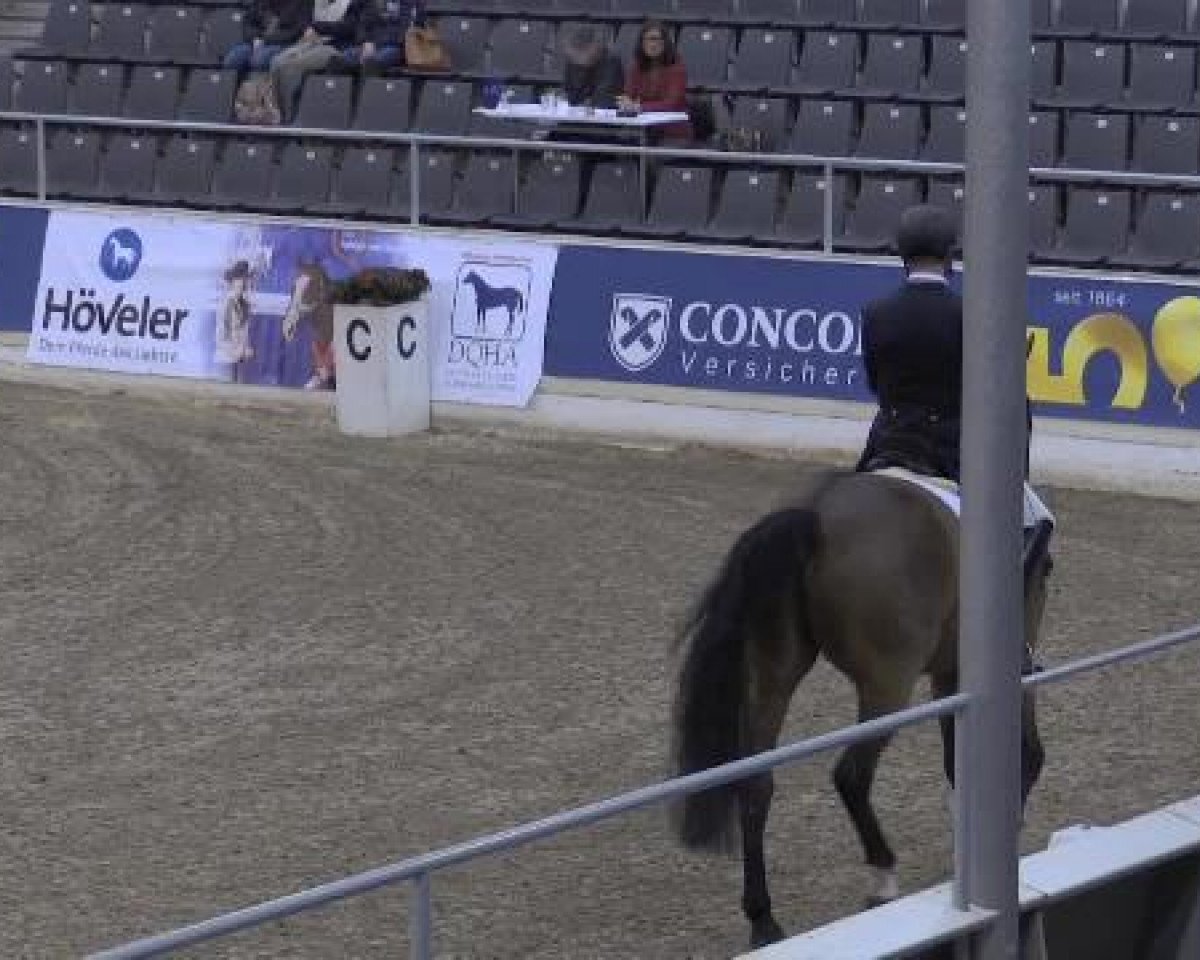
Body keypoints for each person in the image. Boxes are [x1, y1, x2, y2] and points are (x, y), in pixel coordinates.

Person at [855, 203, 1055, 591]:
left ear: (902, 254)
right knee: (1036, 523)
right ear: (951, 255)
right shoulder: (974, 314)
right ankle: (1011, 636)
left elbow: (876, 383)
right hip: (953, 450)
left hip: (888, 444)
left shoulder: (876, 312)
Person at [269, 0, 367, 122]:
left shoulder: (353, 3)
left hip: (335, 46)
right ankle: (276, 113)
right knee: (276, 62)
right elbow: (304, 21)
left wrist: (318, 27)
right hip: (310, 42)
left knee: (290, 67)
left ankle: (290, 118)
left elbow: (347, 28)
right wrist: (309, 30)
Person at [618, 20, 691, 144]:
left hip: (672, 133)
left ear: (665, 43)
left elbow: (671, 104)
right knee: (619, 147)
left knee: (649, 158)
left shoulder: (677, 68)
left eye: (656, 39)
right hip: (642, 129)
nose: (652, 44)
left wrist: (639, 107)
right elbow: (629, 95)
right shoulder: (636, 67)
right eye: (647, 40)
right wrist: (625, 103)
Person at [224, 0, 313, 72]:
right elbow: (248, 22)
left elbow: (298, 31)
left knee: (259, 60)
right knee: (233, 59)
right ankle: (236, 90)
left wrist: (265, 40)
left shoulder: (302, 2)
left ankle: (264, 89)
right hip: (256, 41)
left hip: (284, 43)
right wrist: (255, 37)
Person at [342, 0, 426, 74]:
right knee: (347, 56)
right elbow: (363, 25)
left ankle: (370, 89)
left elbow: (403, 32)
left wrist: (375, 45)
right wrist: (366, 42)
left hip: (398, 47)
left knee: (375, 60)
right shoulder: (375, 3)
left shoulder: (412, 3)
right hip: (372, 44)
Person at [562, 26, 624, 110]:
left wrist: (586, 101)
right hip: (577, 112)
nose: (574, 59)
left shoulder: (611, 60)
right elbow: (570, 93)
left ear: (594, 46)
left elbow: (603, 97)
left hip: (604, 114)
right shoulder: (573, 61)